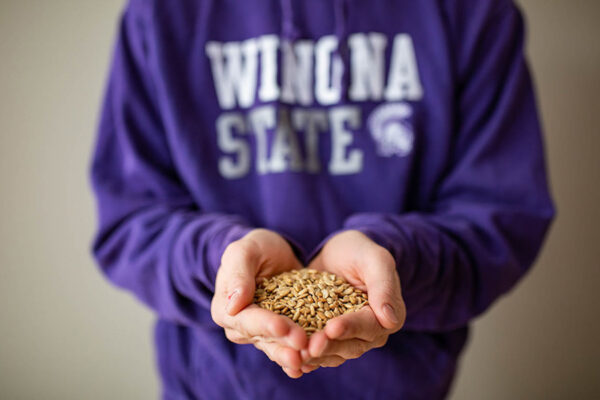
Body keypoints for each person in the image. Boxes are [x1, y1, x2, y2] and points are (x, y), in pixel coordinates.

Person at [90, 0, 555, 398]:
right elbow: (131, 222)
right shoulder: (162, 13)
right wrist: (220, 260)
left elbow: (501, 218)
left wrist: (395, 256)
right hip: (213, 385)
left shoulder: (472, 11)